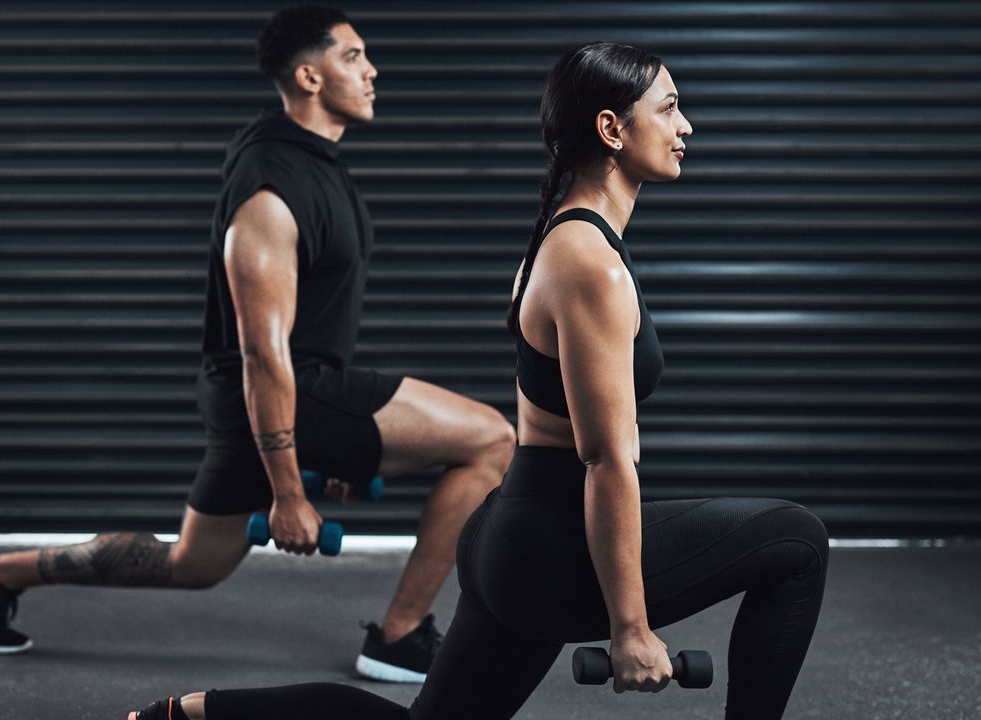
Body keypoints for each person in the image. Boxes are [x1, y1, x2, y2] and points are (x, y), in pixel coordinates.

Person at [125, 41, 829, 720]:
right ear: (612, 129)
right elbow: (604, 457)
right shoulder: (589, 262)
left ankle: (184, 714)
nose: (687, 126)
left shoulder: (564, 238)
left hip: (511, 532)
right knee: (796, 541)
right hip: (547, 546)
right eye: (670, 108)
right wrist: (630, 628)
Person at [0, 5, 516, 683]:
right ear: (308, 75)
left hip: (276, 399)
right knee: (491, 439)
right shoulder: (270, 191)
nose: (372, 70)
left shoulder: (313, 163)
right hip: (283, 389)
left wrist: (326, 449)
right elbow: (263, 354)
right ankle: (399, 635)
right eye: (353, 57)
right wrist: (289, 492)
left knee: (194, 565)